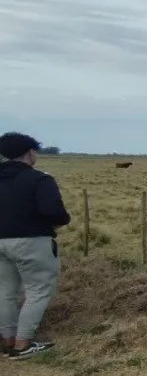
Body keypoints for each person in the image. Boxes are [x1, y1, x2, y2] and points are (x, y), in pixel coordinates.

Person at [0, 132, 71, 360]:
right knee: (38, 291)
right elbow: (55, 213)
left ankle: (7, 339)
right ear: (30, 153)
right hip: (32, 241)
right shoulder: (40, 179)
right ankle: (23, 344)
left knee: (5, 292)